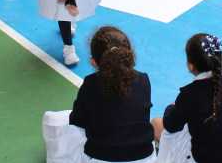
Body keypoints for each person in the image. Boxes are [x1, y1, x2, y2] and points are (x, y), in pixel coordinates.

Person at [43, 26, 154, 162]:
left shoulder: (90, 83)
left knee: (53, 120)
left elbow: (77, 120)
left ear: (93, 62)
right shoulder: (144, 79)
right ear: (129, 55)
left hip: (100, 157)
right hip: (145, 158)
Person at [152, 33, 222, 163]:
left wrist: (171, 107)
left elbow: (171, 125)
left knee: (157, 123)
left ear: (190, 65)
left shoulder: (189, 94)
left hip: (205, 159)